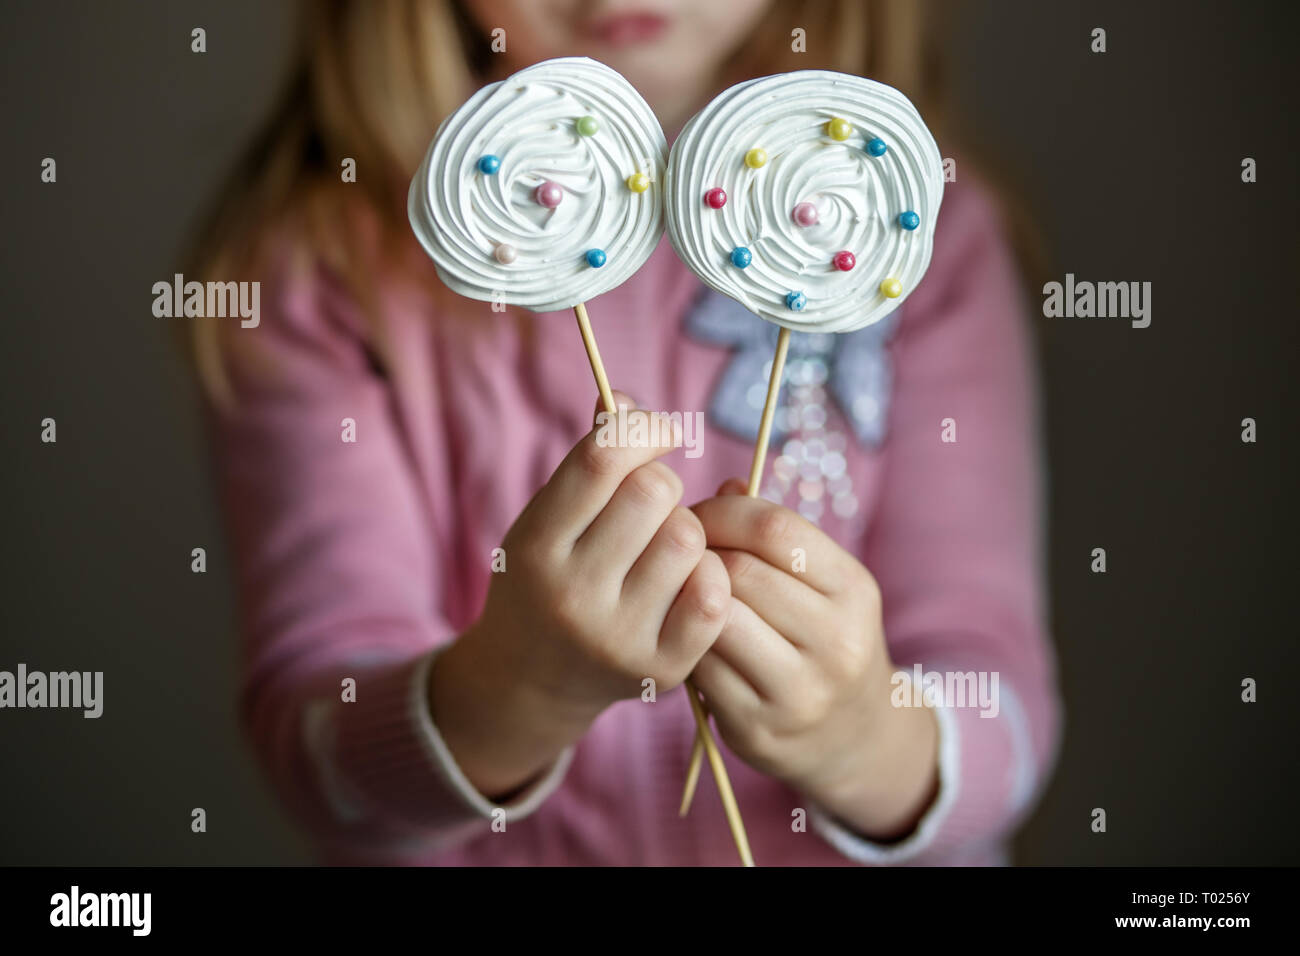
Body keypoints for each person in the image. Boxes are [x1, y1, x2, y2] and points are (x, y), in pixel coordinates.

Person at [190, 0, 1061, 865]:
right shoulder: (319, 282)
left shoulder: (917, 246)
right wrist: (518, 690)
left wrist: (862, 739)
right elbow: (316, 761)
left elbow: (1003, 699)